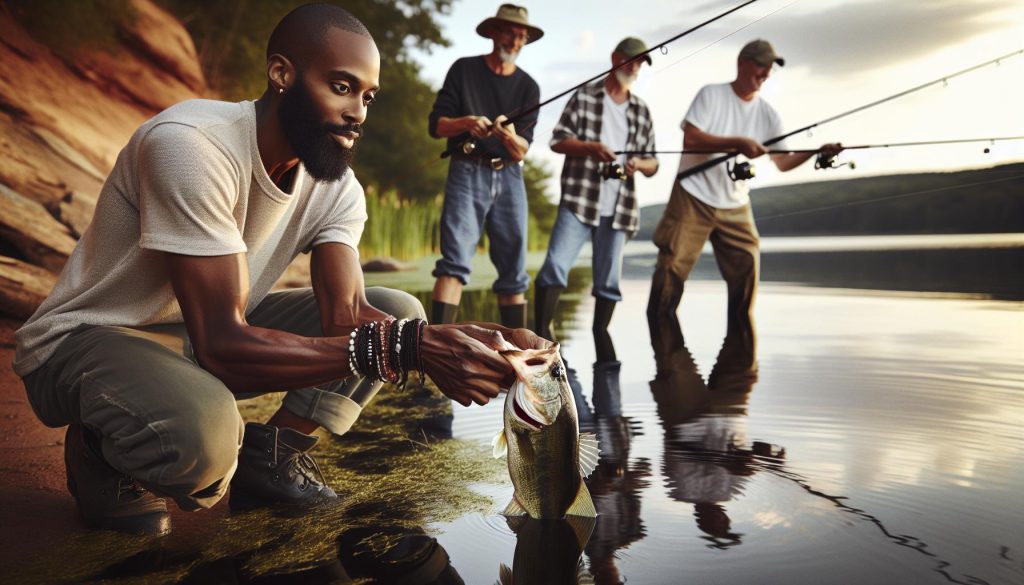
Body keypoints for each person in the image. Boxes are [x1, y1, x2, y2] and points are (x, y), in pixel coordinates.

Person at [12, 4, 547, 537]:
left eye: (367, 97)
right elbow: (223, 346)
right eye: (341, 87)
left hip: (197, 335)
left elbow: (347, 318)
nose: (358, 113)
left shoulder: (336, 187)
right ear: (281, 74)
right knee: (204, 445)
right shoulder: (193, 144)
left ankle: (272, 457)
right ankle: (99, 445)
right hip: (90, 339)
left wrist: (483, 340)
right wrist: (411, 349)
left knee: (398, 311)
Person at [647, 39, 842, 377]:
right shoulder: (712, 95)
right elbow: (691, 138)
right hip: (693, 194)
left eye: (770, 69)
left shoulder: (768, 114)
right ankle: (665, 354)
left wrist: (816, 152)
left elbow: (783, 161)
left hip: (735, 203)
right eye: (761, 66)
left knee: (748, 267)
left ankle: (737, 371)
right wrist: (737, 142)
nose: (765, 73)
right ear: (743, 63)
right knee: (672, 267)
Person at [534, 37, 658, 358]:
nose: (635, 67)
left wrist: (638, 164)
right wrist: (590, 148)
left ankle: (603, 350)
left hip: (620, 207)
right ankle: (541, 339)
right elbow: (558, 141)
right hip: (579, 199)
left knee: (609, 283)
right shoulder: (585, 96)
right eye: (631, 60)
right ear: (615, 58)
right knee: (554, 267)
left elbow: (653, 163)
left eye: (640, 63)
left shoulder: (642, 110)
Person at [427, 4, 542, 328]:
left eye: (521, 36)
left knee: (514, 273)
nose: (515, 42)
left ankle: (517, 351)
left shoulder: (529, 87)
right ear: (493, 32)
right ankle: (436, 344)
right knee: (454, 263)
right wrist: (466, 122)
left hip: (510, 174)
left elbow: (522, 150)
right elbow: (437, 126)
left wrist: (510, 137)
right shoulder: (463, 70)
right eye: (510, 33)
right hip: (466, 170)